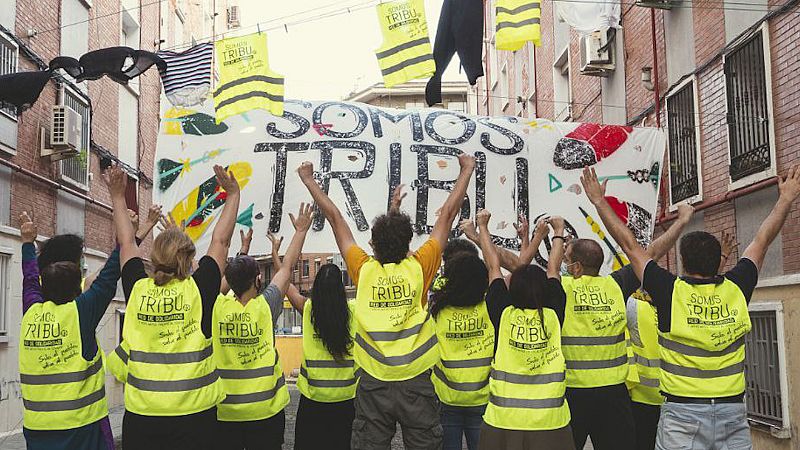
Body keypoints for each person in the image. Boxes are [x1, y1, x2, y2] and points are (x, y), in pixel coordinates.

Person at [580, 166, 800, 450]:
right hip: (732, 414)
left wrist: (599, 201)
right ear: (718, 261)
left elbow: (630, 246)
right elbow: (762, 240)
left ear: (683, 262)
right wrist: (786, 198)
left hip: (682, 417)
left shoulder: (670, 291)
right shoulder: (737, 287)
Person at [298, 153, 475, 449]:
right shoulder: (419, 268)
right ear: (408, 243)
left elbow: (336, 218)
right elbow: (447, 215)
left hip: (373, 383)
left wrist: (309, 180)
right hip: (416, 381)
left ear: (374, 244)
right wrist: (466, 169)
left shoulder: (363, 270)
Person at [110, 164, 240, 450]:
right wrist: (233, 195)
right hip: (196, 420)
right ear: (188, 257)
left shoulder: (138, 289)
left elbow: (127, 242)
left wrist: (117, 197)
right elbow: (221, 240)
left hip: (142, 418)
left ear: (154, 258)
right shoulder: (199, 290)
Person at [17, 173, 126, 450]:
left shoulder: (31, 313)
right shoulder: (80, 312)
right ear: (77, 287)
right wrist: (126, 239)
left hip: (38, 430)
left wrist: (27, 242)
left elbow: (29, 278)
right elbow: (109, 275)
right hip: (81, 428)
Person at [471, 209, 574, 450]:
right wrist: (558, 231)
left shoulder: (503, 314)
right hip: (550, 422)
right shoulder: (553, 315)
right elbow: (553, 268)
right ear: (546, 290)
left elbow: (493, 266)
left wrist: (483, 226)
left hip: (503, 421)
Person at [212, 203, 313, 450]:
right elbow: (286, 268)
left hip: (225, 412)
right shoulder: (265, 306)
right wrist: (300, 231)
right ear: (259, 280)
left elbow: (225, 282)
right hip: (266, 412)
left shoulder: (217, 307)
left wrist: (242, 253)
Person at [269, 235, 360, 450]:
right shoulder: (355, 311)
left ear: (317, 287)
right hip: (347, 400)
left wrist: (275, 254)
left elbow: (286, 284)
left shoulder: (308, 309)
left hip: (313, 401)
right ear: (341, 289)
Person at [620, 204, 696, 450]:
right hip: (675, 396)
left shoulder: (632, 306)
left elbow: (644, 257)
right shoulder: (677, 303)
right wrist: (682, 221)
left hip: (642, 398)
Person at [428, 240, 491, 450]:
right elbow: (508, 268)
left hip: (447, 397)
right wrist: (481, 234)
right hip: (482, 396)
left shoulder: (437, 309)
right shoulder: (491, 306)